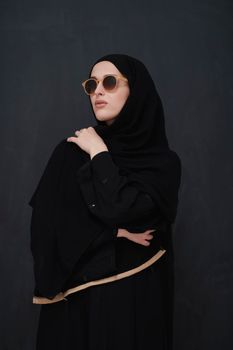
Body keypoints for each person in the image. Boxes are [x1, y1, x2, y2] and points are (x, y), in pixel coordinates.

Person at [29, 53, 181, 350]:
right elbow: (47, 229)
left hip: (134, 300)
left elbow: (124, 208)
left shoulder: (162, 164)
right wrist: (115, 233)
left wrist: (100, 153)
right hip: (78, 302)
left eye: (110, 82)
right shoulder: (71, 152)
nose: (97, 91)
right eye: (92, 84)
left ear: (135, 91)